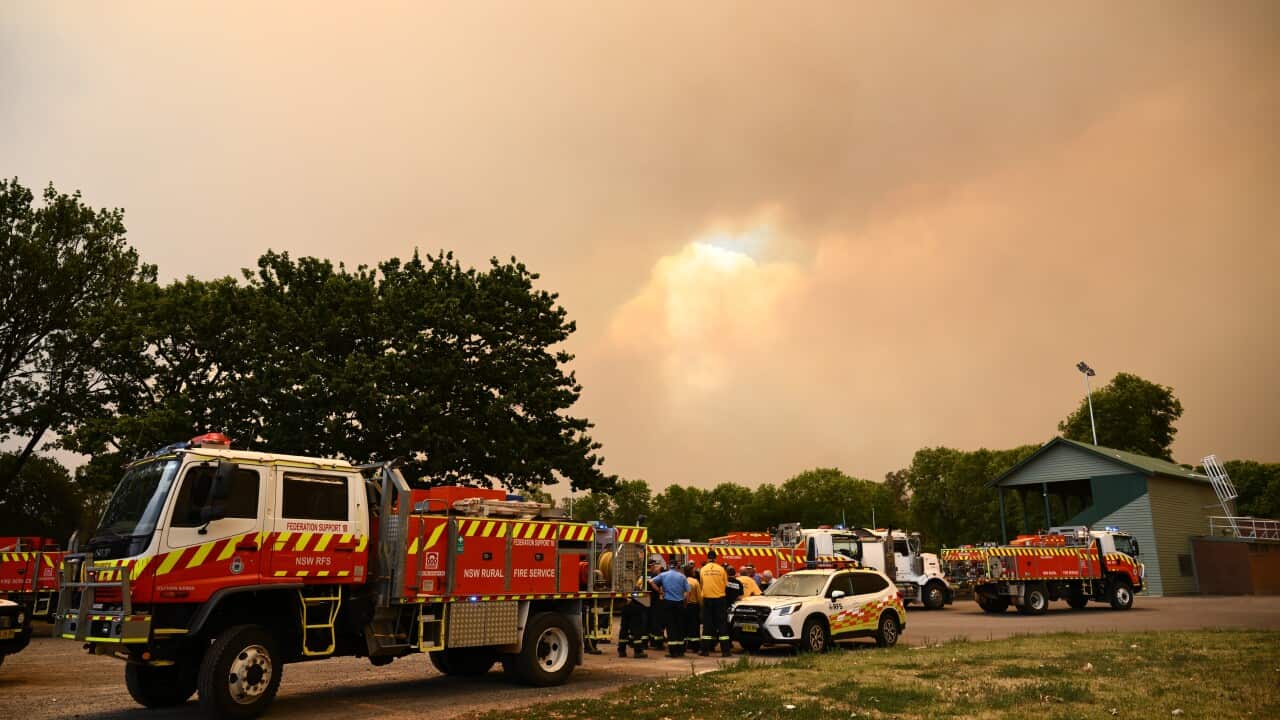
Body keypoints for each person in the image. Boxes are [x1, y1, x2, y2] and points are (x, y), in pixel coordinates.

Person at [651, 562, 690, 657]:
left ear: (668, 567)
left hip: (668, 603)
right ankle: (681, 651)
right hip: (679, 603)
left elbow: (651, 581)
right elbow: (688, 592)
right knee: (679, 626)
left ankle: (673, 651)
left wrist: (660, 591)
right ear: (677, 567)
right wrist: (685, 603)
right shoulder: (682, 577)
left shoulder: (663, 575)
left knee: (671, 626)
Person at [698, 550, 731, 657]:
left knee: (707, 625)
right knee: (722, 625)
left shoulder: (703, 570)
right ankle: (725, 651)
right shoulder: (721, 569)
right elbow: (726, 584)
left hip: (707, 600)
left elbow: (702, 584)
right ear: (716, 558)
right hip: (719, 600)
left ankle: (705, 650)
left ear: (707, 558)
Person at [618, 574, 649, 658]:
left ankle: (621, 650)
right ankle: (638, 651)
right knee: (637, 630)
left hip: (626, 606)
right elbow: (639, 593)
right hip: (635, 606)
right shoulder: (642, 579)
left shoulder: (622, 581)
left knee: (624, 628)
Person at [645, 560, 665, 650]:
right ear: (652, 566)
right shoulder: (655, 576)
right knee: (656, 622)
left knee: (646, 622)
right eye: (654, 566)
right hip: (655, 601)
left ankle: (645, 642)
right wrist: (659, 591)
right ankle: (656, 643)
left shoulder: (642, 575)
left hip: (644, 602)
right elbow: (660, 587)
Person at [682, 562, 702, 645]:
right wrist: (701, 606)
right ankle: (694, 645)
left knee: (684, 625)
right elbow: (699, 597)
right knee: (694, 626)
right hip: (693, 607)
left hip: (683, 605)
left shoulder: (681, 580)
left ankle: (683, 643)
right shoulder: (695, 582)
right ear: (691, 572)